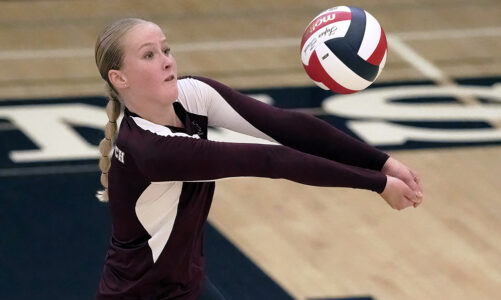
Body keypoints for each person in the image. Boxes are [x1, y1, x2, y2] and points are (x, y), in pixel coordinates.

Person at [94, 17, 423, 300]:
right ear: (119, 78)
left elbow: (286, 126)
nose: (166, 60)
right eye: (148, 55)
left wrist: (381, 162)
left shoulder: (193, 95)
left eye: (166, 49)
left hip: (185, 287)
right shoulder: (153, 149)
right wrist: (377, 184)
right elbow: (271, 160)